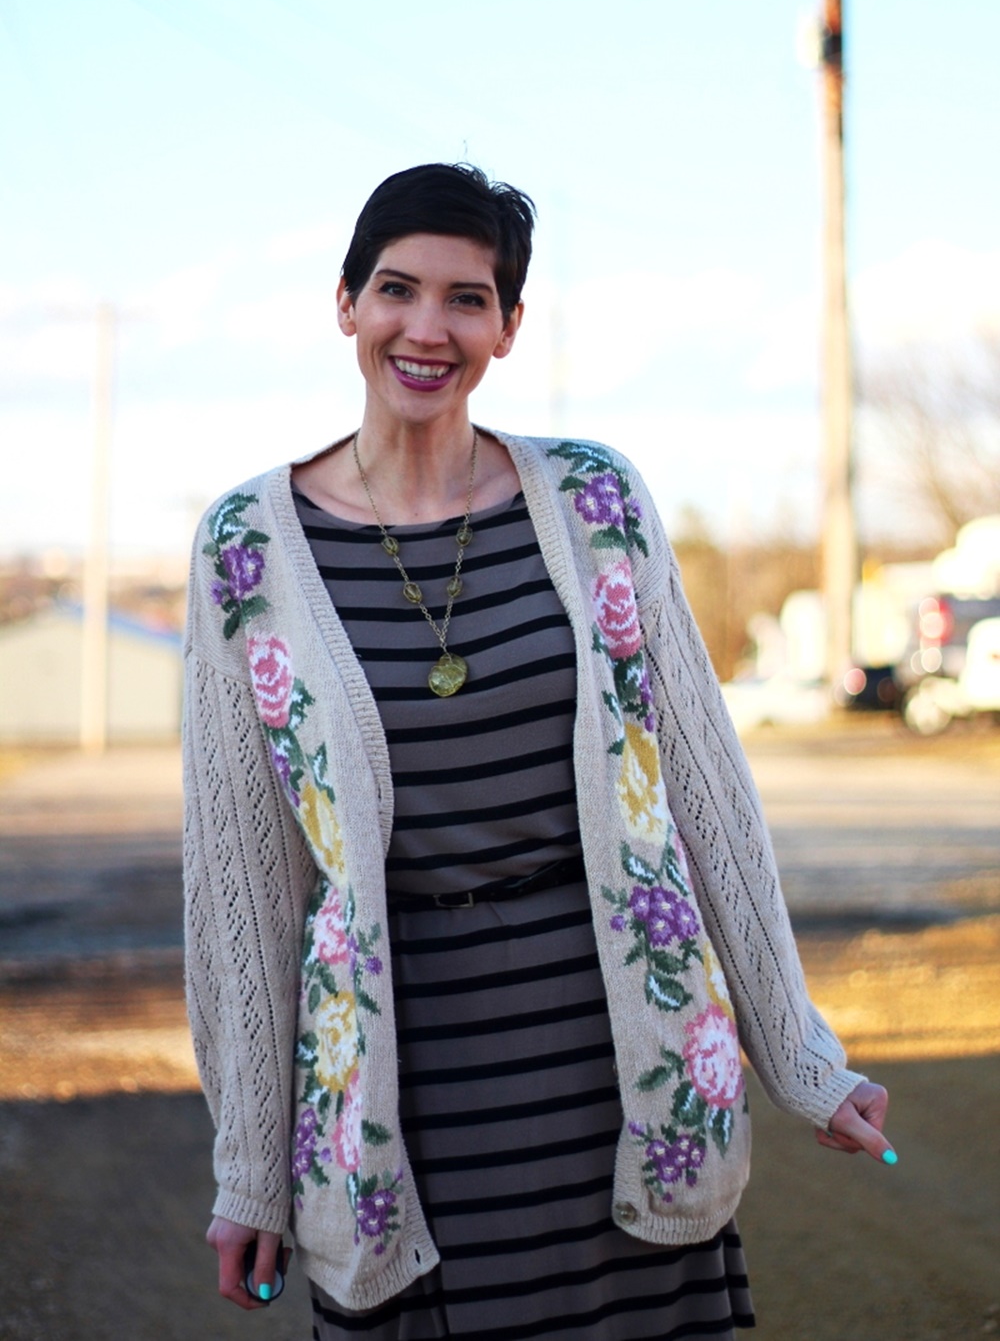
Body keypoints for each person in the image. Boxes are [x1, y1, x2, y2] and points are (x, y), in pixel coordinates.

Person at [182, 162, 892, 1340]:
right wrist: (251, 1167)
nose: (427, 328)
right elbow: (241, 883)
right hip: (396, 1084)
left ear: (509, 327)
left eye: (468, 299)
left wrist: (802, 1059)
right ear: (345, 303)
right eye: (398, 289)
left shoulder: (597, 502)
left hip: (620, 1060)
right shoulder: (245, 550)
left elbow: (706, 800)